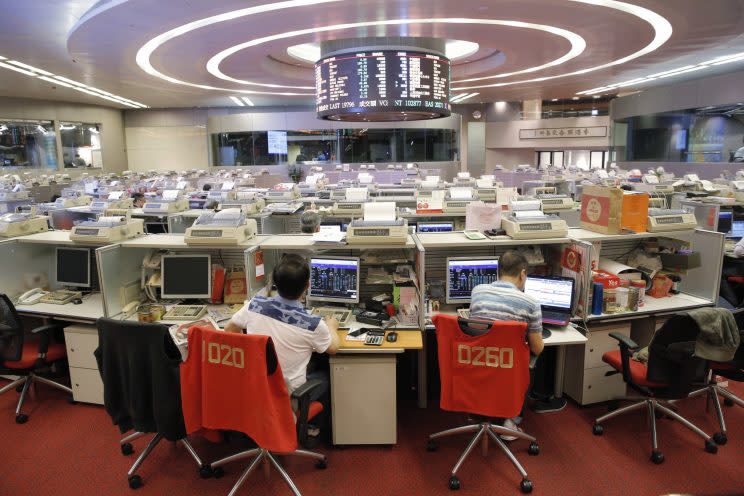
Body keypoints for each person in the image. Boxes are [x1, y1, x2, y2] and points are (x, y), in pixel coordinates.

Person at [225, 254, 340, 439]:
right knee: (326, 374)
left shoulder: (254, 305)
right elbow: (333, 348)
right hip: (287, 394)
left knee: (312, 364)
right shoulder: (312, 323)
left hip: (252, 387)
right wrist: (332, 327)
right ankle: (308, 430)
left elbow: (229, 330)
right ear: (307, 285)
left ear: (274, 282)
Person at [469, 250, 544, 439]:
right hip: (509, 370)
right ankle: (511, 421)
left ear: (498, 272)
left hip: (478, 364)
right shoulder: (531, 303)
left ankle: (480, 408)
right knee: (532, 361)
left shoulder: (477, 292)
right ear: (522, 274)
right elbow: (537, 348)